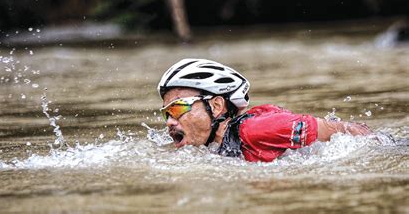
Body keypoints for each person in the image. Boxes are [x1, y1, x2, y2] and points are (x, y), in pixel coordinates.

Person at [157, 58, 372, 162]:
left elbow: (342, 130)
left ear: (216, 106)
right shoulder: (215, 144)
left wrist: (385, 145)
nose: (169, 121)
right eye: (167, 112)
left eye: (178, 107)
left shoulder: (256, 129)